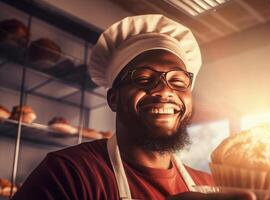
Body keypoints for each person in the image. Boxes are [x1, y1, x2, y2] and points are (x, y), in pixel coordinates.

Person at [12, 15, 254, 200]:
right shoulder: (70, 173)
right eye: (144, 78)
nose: (165, 90)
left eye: (178, 81)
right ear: (114, 98)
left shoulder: (208, 185)